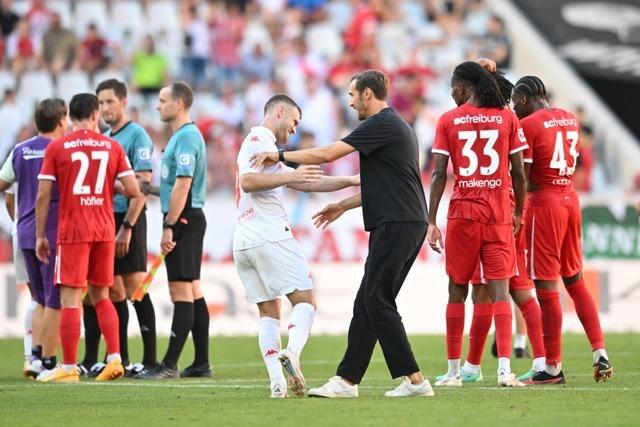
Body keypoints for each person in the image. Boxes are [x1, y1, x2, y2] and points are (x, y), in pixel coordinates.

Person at [252, 70, 434, 398]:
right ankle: (347, 381)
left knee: (376, 300)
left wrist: (279, 156)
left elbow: (326, 154)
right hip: (404, 220)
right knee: (368, 301)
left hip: (397, 223)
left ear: (368, 94)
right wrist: (343, 206)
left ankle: (415, 379)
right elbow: (389, 186)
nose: (349, 102)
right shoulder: (394, 127)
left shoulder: (379, 124)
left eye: (352, 94)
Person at [234, 94, 360, 398]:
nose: (294, 129)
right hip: (269, 233)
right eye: (294, 121)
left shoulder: (270, 151)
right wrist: (291, 172)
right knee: (305, 301)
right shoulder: (258, 137)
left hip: (243, 241)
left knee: (269, 311)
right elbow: (248, 182)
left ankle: (278, 383)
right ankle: (292, 352)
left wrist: (352, 180)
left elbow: (308, 182)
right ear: (280, 111)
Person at [434, 70, 545, 386]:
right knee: (501, 292)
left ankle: (458, 370)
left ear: (462, 88)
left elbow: (440, 174)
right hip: (501, 214)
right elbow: (520, 173)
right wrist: (520, 211)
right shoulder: (507, 118)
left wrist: (430, 220)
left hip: (464, 214)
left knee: (464, 292)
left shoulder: (449, 119)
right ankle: (503, 368)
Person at [512, 76, 612, 384]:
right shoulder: (569, 118)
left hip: (545, 204)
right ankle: (600, 352)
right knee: (575, 280)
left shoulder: (529, 125)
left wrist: (515, 208)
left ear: (526, 98)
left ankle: (552, 367)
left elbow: (524, 176)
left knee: (546, 287)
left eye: (516, 101)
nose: (514, 108)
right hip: (570, 199)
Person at [35, 93, 140, 383]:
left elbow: (43, 195)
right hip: (104, 229)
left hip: (73, 230)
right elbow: (133, 190)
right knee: (102, 296)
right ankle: (115, 359)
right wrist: (112, 186)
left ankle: (68, 366)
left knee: (70, 299)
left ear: (70, 116)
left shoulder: (58, 147)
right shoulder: (112, 146)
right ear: (95, 116)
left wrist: (41, 235)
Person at [78, 79, 158, 378]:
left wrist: (127, 228)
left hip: (129, 220)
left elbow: (143, 185)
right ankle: (120, 359)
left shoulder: (137, 136)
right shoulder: (106, 137)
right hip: (105, 220)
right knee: (111, 290)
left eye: (110, 102)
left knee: (135, 287)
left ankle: (150, 361)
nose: (104, 108)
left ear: (123, 102)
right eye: (100, 103)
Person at [136, 82, 210, 380]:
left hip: (183, 219)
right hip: (186, 216)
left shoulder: (187, 137)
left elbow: (183, 184)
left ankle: (169, 365)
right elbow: (172, 185)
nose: (158, 105)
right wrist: (150, 189)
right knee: (192, 289)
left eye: (163, 100)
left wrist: (169, 225)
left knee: (180, 289)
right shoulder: (182, 136)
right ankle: (202, 363)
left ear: (179, 104)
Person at [0, 99, 68, 379]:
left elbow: (3, 187)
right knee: (54, 301)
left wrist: (18, 220)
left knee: (38, 298)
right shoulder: (61, 150)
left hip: (24, 232)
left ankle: (35, 358)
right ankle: (50, 363)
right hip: (50, 233)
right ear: (62, 120)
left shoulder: (19, 149)